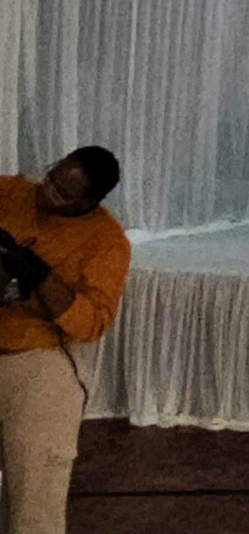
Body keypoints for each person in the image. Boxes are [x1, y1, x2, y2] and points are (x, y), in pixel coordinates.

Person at [0, 149, 130, 534]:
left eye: (62, 193)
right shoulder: (10, 193)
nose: (47, 192)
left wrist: (39, 275)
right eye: (50, 178)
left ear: (89, 202)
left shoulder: (107, 242)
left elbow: (91, 323)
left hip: (37, 363)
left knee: (35, 495)